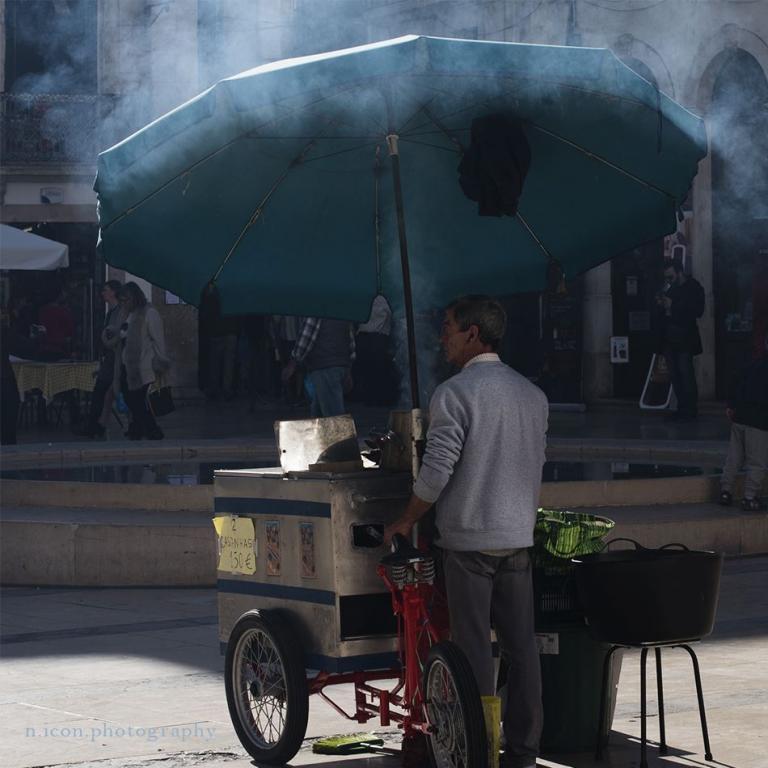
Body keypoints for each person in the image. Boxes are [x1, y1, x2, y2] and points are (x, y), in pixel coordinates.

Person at [384, 295, 548, 768]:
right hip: (517, 537)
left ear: (473, 334)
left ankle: (479, 749)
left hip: (470, 543)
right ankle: (524, 751)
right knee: (521, 649)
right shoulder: (532, 395)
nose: (443, 338)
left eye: (449, 327)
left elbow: (436, 472)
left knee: (474, 650)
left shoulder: (454, 393)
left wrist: (406, 518)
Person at [719, 336, 768, 511]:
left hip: (740, 418)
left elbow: (735, 382)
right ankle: (749, 497)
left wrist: (731, 406)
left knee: (734, 457)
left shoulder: (753, 365)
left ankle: (725, 491)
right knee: (757, 461)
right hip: (759, 422)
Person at [656, 258, 705, 421]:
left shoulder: (694, 287)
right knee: (675, 375)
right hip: (669, 338)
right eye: (666, 278)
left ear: (680, 272)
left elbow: (698, 310)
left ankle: (690, 410)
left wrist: (673, 305)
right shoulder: (671, 288)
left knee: (686, 374)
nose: (669, 280)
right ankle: (682, 408)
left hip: (685, 338)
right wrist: (661, 305)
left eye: (671, 277)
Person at [119, 282, 170, 440]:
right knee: (131, 399)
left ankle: (151, 429)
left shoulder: (150, 313)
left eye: (126, 299)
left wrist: (160, 362)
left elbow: (158, 339)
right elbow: (122, 333)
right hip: (128, 364)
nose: (124, 303)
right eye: (122, 300)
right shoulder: (128, 313)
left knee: (137, 400)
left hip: (144, 365)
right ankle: (139, 428)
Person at [282, 317, 355, 418]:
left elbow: (306, 337)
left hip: (323, 365)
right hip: (340, 364)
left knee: (333, 415)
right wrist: (348, 368)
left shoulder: (317, 312)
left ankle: (335, 429)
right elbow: (350, 341)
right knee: (322, 410)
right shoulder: (343, 312)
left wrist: (293, 363)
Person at [78, 280, 123, 438]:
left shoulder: (119, 312)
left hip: (114, 358)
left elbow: (115, 335)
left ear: (113, 292)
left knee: (102, 392)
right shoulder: (111, 312)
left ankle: (94, 426)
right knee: (105, 394)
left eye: (105, 290)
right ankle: (98, 425)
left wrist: (106, 338)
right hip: (109, 358)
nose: (103, 293)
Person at [37, 289, 75, 359]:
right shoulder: (64, 312)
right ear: (59, 296)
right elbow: (69, 335)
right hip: (60, 351)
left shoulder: (42, 311)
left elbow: (40, 331)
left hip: (45, 350)